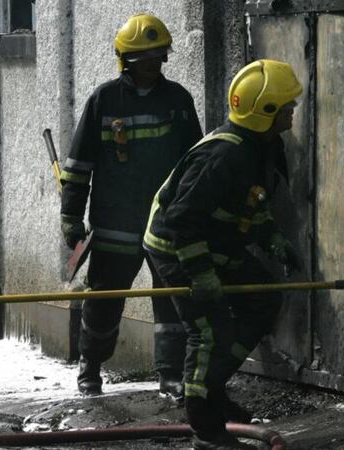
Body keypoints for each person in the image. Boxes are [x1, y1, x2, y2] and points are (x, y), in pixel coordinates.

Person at [143, 59, 303, 450]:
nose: (292, 112)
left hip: (214, 245)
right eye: (286, 107)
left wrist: (271, 239)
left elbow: (252, 201)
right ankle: (205, 429)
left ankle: (211, 389)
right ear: (265, 113)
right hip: (178, 249)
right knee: (209, 334)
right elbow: (182, 219)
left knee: (264, 298)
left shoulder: (261, 146)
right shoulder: (224, 156)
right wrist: (200, 274)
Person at [59, 14, 203, 401]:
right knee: (103, 303)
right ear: (126, 60)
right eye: (143, 59)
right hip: (114, 227)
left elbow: (195, 164)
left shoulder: (178, 100)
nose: (151, 66)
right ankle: (90, 369)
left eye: (157, 57)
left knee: (171, 304)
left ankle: (170, 375)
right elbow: (77, 167)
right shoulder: (103, 101)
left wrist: (192, 214)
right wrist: (71, 218)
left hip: (165, 225)